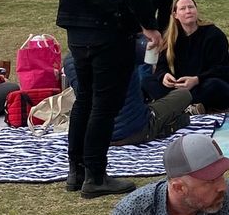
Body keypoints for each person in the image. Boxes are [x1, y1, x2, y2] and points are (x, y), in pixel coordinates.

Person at [50, 0, 163, 199]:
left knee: (84, 97)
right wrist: (148, 23)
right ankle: (95, 174)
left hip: (75, 25)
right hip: (110, 26)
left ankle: (77, 170)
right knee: (105, 101)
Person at [64, 36, 192, 147]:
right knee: (183, 94)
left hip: (96, 133)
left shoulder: (70, 60)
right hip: (135, 129)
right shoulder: (128, 48)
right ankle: (169, 124)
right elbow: (152, 52)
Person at [148, 0, 229, 114]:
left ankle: (175, 106)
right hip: (180, 88)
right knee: (147, 82)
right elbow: (161, 66)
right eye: (183, 9)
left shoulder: (213, 34)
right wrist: (164, 76)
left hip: (205, 84)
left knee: (213, 86)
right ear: (175, 15)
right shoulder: (171, 38)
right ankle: (188, 107)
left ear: (196, 10)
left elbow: (224, 71)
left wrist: (197, 79)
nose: (188, 11)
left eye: (191, 7)